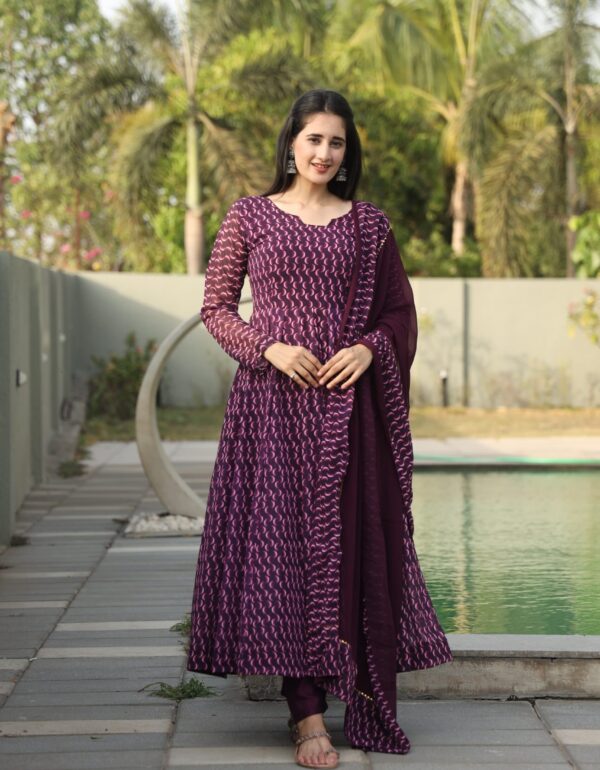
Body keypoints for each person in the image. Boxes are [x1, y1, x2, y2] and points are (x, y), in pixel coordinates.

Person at [186, 88, 453, 769]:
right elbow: (216, 308)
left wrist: (369, 349)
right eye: (314, 139)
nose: (325, 153)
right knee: (279, 554)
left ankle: (341, 688)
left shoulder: (368, 226)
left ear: (347, 151)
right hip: (269, 412)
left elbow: (399, 313)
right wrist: (268, 348)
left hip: (345, 416)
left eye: (337, 142)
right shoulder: (249, 216)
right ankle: (305, 712)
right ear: (291, 143)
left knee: (344, 547)